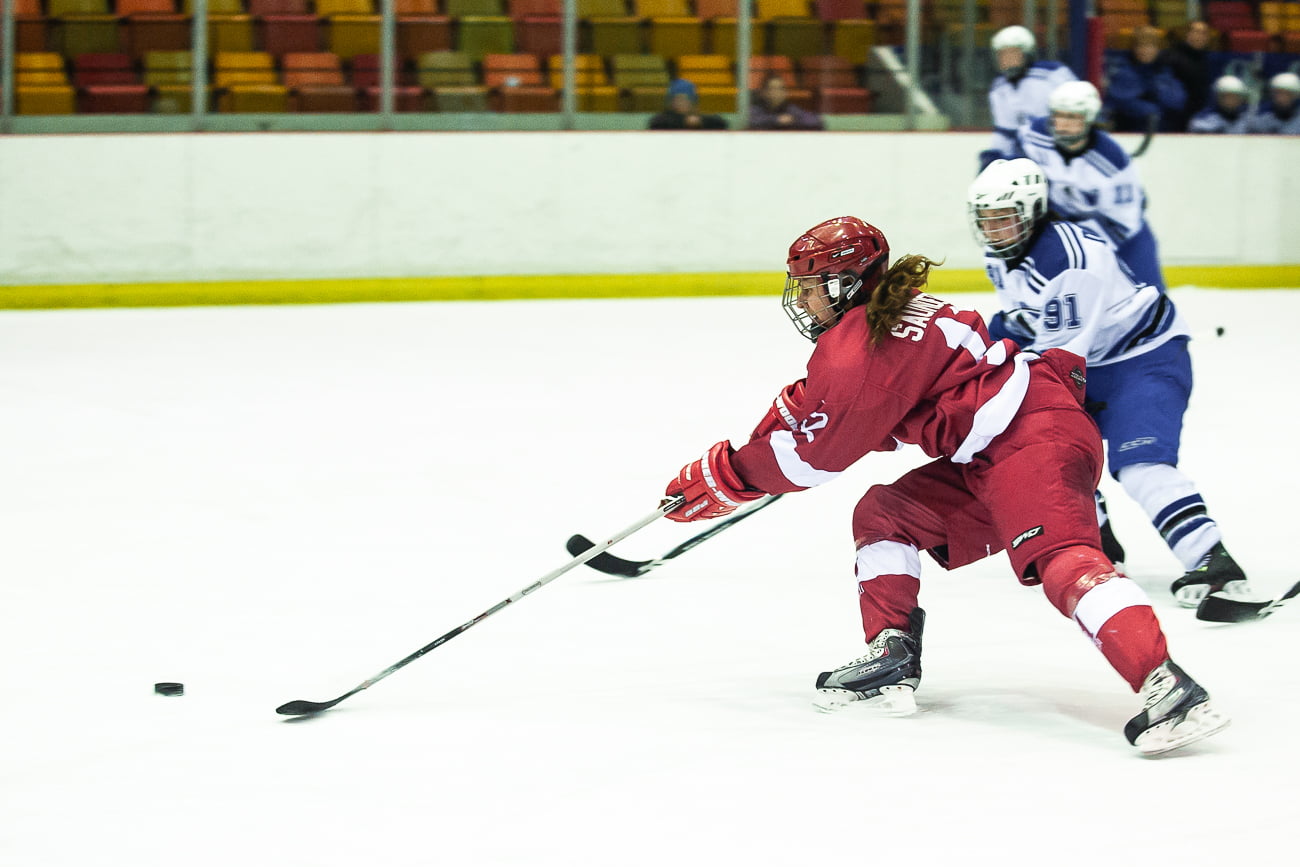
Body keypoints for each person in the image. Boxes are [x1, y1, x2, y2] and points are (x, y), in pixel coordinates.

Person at [659, 214, 1228, 755]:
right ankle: (892, 652)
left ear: (849, 283)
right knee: (885, 515)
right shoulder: (891, 312)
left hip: (1032, 441)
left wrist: (728, 474)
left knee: (1063, 561)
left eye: (813, 286)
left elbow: (816, 459)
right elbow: (884, 404)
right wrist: (807, 413)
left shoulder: (859, 346)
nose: (802, 298)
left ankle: (1167, 686)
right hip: (996, 448)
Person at [971, 158, 1253, 615]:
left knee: (1139, 463)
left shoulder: (1072, 260)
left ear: (1034, 210)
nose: (995, 229)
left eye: (1006, 218)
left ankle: (1212, 559)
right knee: (1052, 449)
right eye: (987, 220)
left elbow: (1057, 360)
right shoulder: (1002, 256)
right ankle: (1096, 545)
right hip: (1091, 361)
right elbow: (1022, 320)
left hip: (1144, 360)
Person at [1012, 80, 1167, 292]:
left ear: (1089, 119)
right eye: (1058, 115)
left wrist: (1084, 248)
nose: (1063, 124)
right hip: (1064, 222)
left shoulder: (1113, 164)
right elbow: (1017, 155)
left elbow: (1123, 224)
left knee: (1150, 298)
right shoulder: (1036, 134)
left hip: (1126, 238)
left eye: (1072, 117)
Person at [980, 24, 1077, 170]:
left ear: (1027, 53)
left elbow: (1077, 112)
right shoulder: (998, 88)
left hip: (1060, 152)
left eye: (1012, 53)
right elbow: (1005, 132)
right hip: (1025, 156)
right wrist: (994, 158)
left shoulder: (1052, 74)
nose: (1006, 60)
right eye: (1002, 54)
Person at [1103, 26, 1187, 133]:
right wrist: (1152, 110)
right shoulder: (1123, 70)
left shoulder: (1165, 71)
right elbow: (1120, 100)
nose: (1145, 50)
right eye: (1141, 45)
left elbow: (1178, 101)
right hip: (1130, 132)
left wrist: (1156, 89)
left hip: (1165, 135)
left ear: (1158, 49)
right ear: (1134, 48)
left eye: (1150, 46)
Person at [1162, 19, 1215, 129]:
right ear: (1187, 35)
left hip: (1200, 117)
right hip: (1176, 118)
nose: (1199, 36)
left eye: (1203, 33)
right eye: (1195, 32)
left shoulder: (1206, 59)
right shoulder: (1172, 57)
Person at [748, 74, 824, 130]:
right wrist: (776, 120)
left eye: (781, 88)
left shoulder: (790, 109)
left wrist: (794, 120)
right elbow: (750, 120)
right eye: (773, 88)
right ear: (764, 92)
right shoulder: (755, 109)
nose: (778, 92)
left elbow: (815, 120)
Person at [648, 79, 728, 130]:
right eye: (677, 99)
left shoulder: (701, 119)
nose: (680, 103)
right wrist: (683, 121)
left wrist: (700, 121)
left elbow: (721, 123)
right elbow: (656, 123)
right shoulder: (663, 120)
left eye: (685, 99)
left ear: (692, 102)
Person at [1188, 75, 1255, 133]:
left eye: (1235, 96)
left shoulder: (1249, 121)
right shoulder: (1203, 122)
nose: (1231, 100)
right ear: (1218, 97)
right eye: (1227, 96)